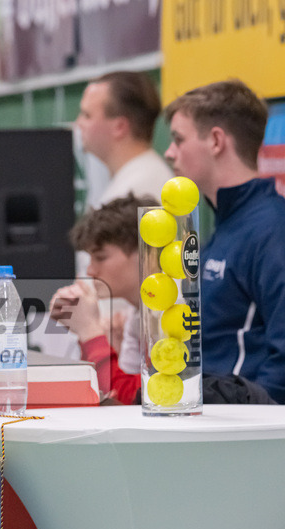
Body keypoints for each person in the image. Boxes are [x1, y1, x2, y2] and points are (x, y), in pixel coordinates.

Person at [164, 79, 285, 403]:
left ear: (216, 141)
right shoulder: (225, 226)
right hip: (209, 416)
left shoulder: (272, 229)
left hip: (247, 427)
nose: (169, 152)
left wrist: (259, 420)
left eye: (178, 139)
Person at [49, 194, 154, 404]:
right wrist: (106, 344)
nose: (90, 270)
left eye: (100, 257)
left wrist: (90, 332)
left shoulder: (176, 308)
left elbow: (141, 397)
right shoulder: (137, 314)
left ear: (145, 252)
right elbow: (114, 398)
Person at [77, 71, 172, 208]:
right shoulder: (135, 180)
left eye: (87, 115)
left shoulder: (140, 190)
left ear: (119, 127)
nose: (79, 123)